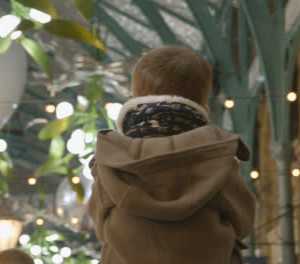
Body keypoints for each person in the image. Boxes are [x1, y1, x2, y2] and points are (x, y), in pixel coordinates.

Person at [87, 46, 256, 264]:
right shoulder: (219, 159)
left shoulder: (110, 162)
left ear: (135, 98)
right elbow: (243, 222)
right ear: (203, 105)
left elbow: (100, 226)